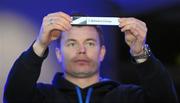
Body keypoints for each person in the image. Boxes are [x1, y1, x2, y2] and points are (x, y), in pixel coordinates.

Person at [4, 11, 178, 103]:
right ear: (58, 53)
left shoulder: (127, 96)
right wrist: (40, 44)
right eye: (72, 43)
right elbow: (13, 96)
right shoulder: (42, 96)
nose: (81, 50)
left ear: (102, 52)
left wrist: (140, 52)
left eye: (90, 43)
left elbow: (165, 99)